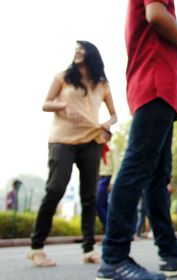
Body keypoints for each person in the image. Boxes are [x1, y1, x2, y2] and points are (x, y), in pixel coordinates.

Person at [97, 1, 177, 279]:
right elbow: (156, 16)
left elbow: (154, 45)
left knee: (157, 177)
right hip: (155, 87)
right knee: (137, 168)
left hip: (161, 86)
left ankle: (170, 253)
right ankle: (114, 257)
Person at [27, 41, 117, 267]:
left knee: (90, 197)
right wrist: (62, 107)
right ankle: (36, 248)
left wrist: (107, 124)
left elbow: (114, 115)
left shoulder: (102, 84)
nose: (77, 52)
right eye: (76, 49)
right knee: (55, 189)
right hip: (62, 140)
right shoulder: (63, 77)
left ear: (92, 54)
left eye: (82, 49)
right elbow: (45, 104)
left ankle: (89, 249)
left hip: (91, 141)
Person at [96, 143, 118, 231]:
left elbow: (117, 166)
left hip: (107, 177)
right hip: (97, 177)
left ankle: (111, 230)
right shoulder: (96, 148)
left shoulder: (112, 147)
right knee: (103, 206)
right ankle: (109, 232)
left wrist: (112, 182)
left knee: (99, 204)